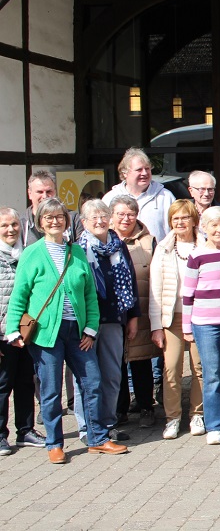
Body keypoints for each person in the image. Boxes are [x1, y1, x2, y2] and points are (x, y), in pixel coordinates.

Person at [4, 198, 127, 463]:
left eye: (59, 216)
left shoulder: (77, 252)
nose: (55, 221)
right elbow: (20, 295)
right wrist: (13, 329)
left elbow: (90, 295)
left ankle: (97, 439)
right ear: (40, 223)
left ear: (66, 220)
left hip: (77, 332)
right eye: (48, 217)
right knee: (51, 391)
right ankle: (54, 443)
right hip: (47, 333)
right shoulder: (32, 253)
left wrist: (91, 328)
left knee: (92, 382)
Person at [74, 199, 140, 445]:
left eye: (103, 216)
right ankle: (86, 427)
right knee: (87, 377)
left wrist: (133, 317)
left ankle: (108, 424)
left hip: (114, 319)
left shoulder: (118, 246)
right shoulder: (77, 249)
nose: (100, 221)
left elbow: (130, 281)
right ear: (84, 223)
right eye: (94, 218)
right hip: (85, 324)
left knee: (112, 375)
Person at [182, 206, 220, 445]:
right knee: (212, 375)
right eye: (214, 225)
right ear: (203, 228)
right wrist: (187, 327)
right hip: (205, 324)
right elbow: (187, 295)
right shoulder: (197, 255)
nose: (219, 230)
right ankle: (214, 426)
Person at [150, 199, 206, 440]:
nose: (180, 222)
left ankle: (197, 415)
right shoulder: (163, 249)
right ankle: (172, 418)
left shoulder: (205, 246)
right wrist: (156, 327)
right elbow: (155, 290)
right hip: (172, 318)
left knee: (200, 369)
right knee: (171, 368)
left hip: (200, 316)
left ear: (194, 220)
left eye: (185, 217)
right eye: (175, 218)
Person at [109, 195, 158, 429]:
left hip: (142, 310)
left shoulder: (149, 241)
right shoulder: (104, 239)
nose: (126, 219)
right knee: (115, 361)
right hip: (112, 313)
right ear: (112, 216)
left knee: (141, 361)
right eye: (121, 214)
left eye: (131, 214)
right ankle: (120, 410)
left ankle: (147, 406)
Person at [0, 207, 44, 454]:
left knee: (26, 382)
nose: (10, 230)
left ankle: (25, 431)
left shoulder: (27, 255)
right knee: (2, 385)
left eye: (14, 225)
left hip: (26, 333)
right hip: (3, 336)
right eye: (5, 226)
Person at [103, 147, 176, 242]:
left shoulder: (165, 197)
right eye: (139, 170)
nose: (144, 173)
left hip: (157, 255)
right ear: (125, 173)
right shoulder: (110, 198)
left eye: (147, 169)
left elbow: (176, 230)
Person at [19, 170, 85, 245]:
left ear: (55, 192)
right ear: (29, 194)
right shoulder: (21, 223)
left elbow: (81, 248)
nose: (45, 196)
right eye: (40, 192)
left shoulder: (72, 218)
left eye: (49, 191)